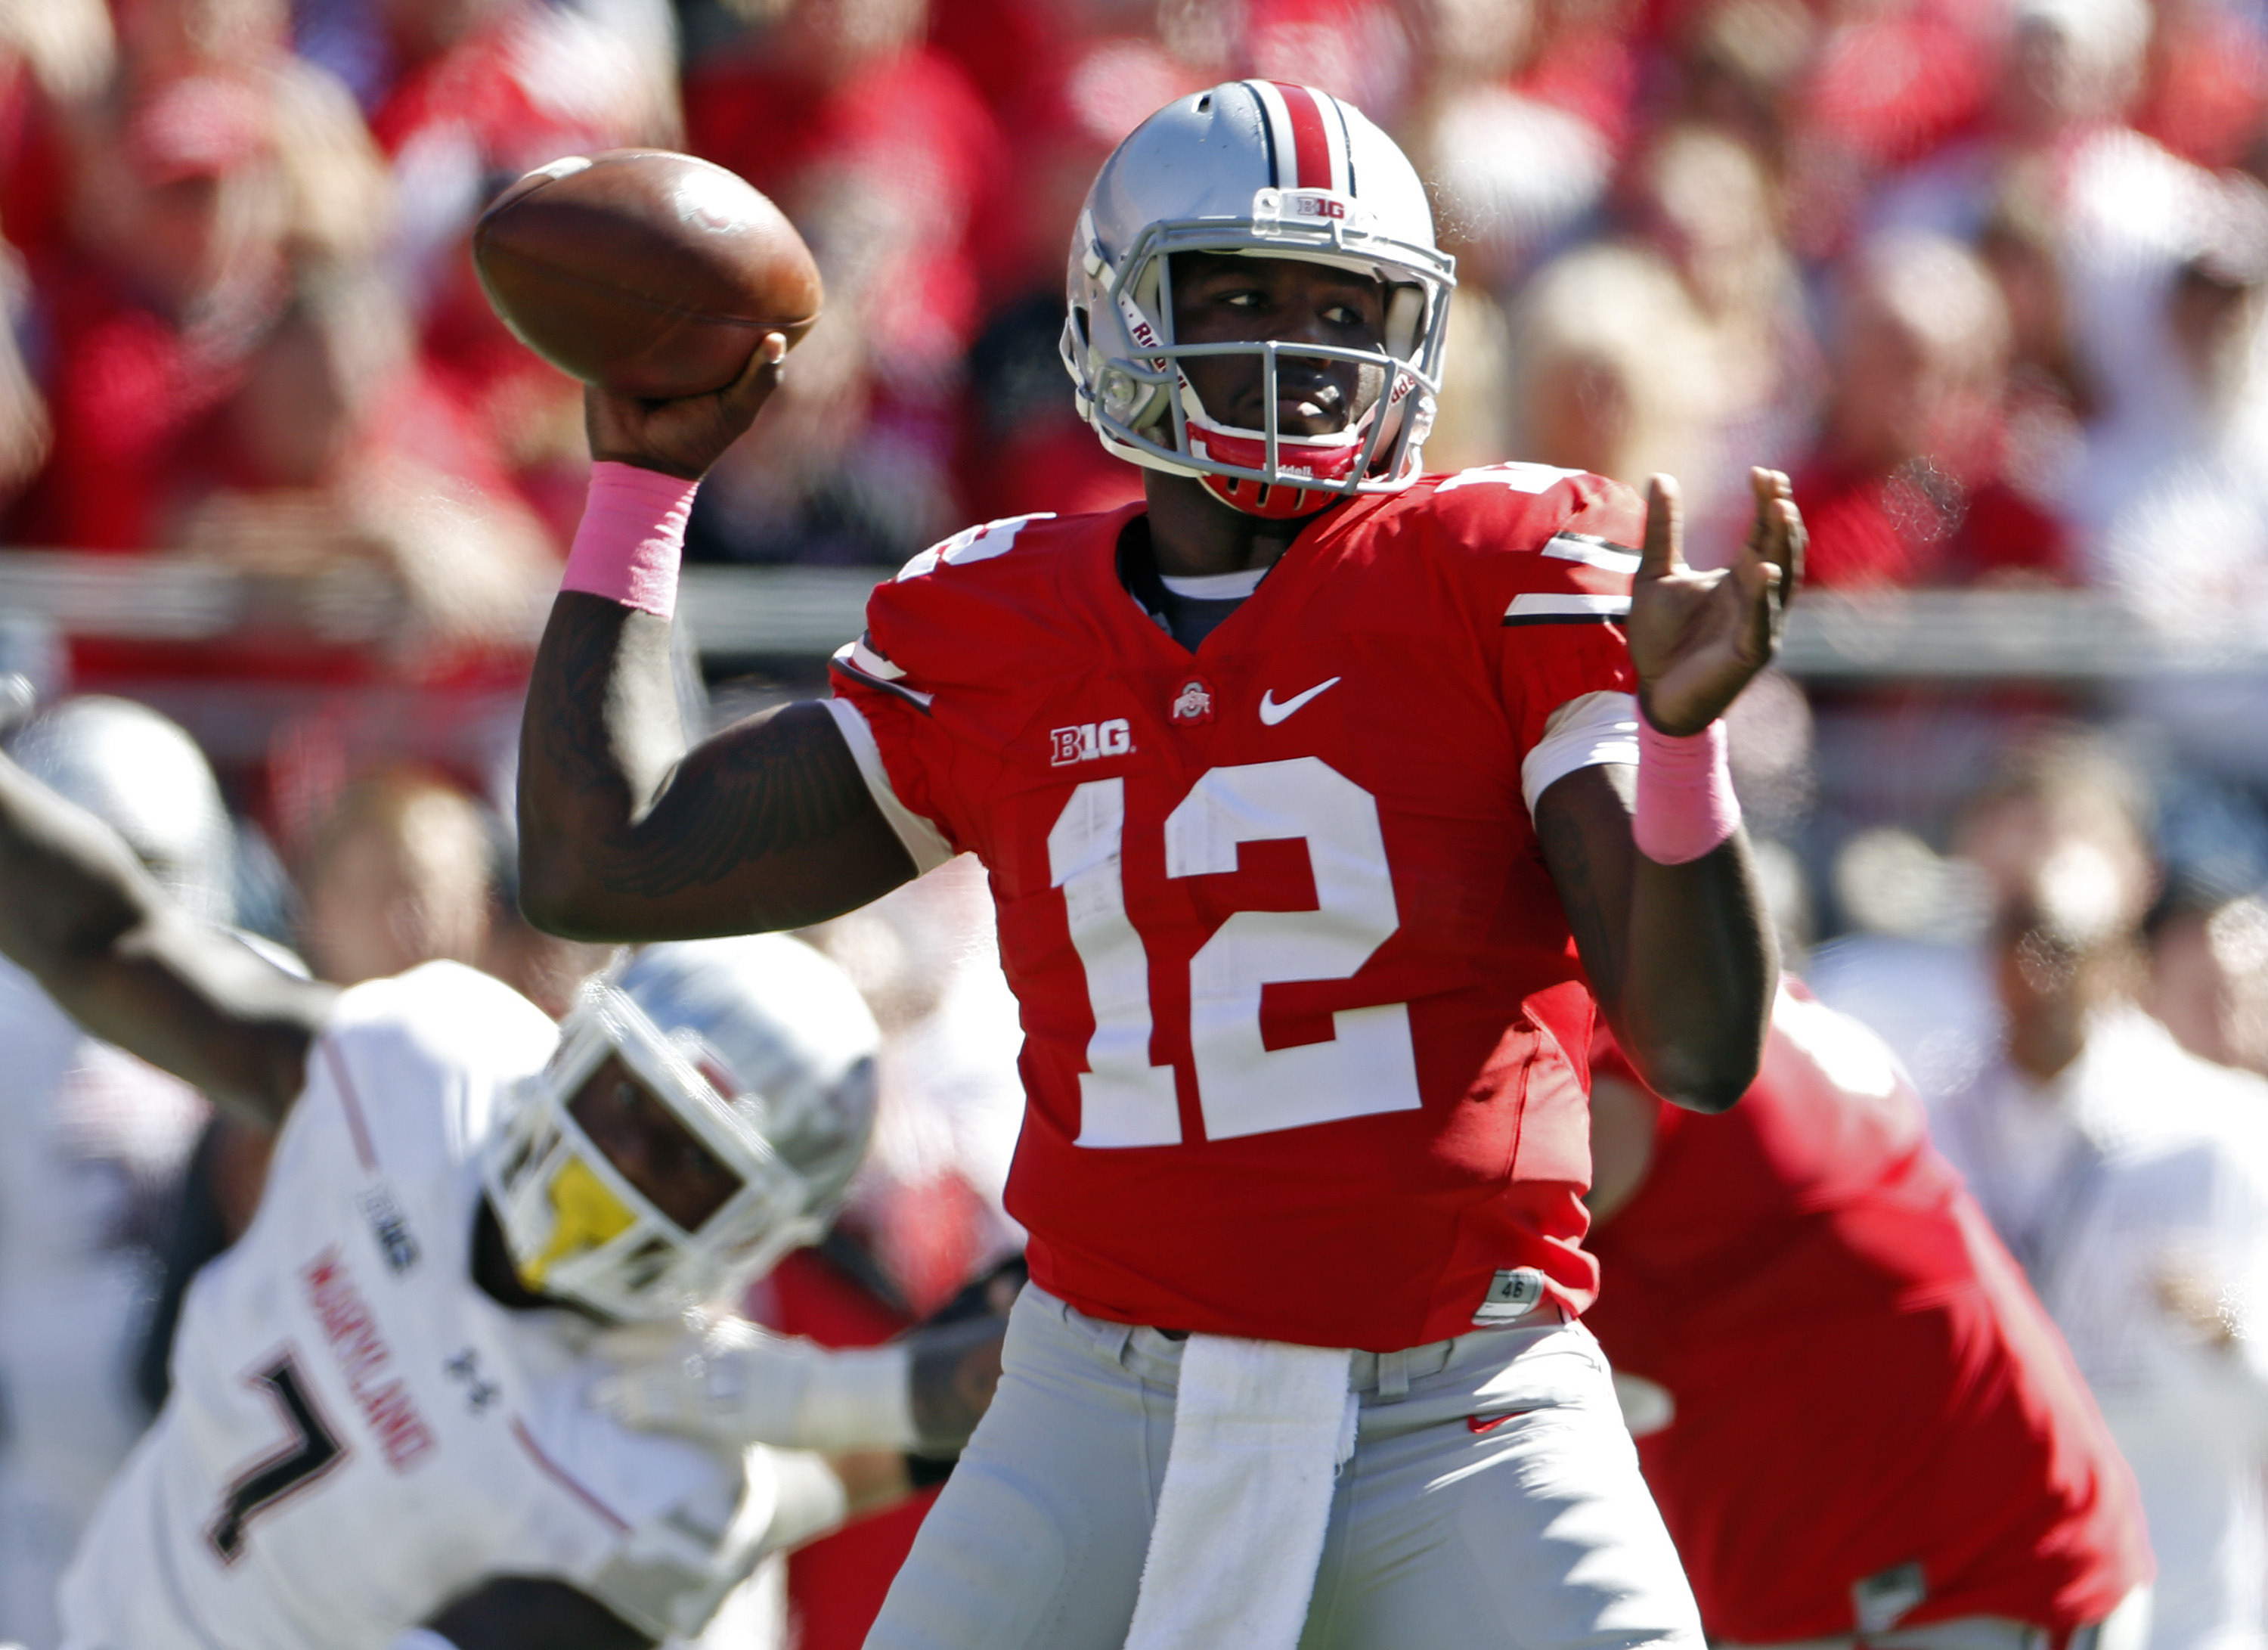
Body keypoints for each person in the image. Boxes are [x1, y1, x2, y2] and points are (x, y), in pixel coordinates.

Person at [516, 81, 1802, 1648]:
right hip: (1100, 1392)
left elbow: (1701, 1048)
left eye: (1345, 304)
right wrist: (643, 490)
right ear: (1116, 311)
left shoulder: (1498, 570)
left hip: (1460, 1396)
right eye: (1242, 292)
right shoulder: (999, 621)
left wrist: (1679, 745)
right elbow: (610, 859)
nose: (1301, 347)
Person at [0, 745, 1003, 1650]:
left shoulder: (653, 1473)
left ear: (760, 1230)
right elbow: (114, 946)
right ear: (579, 1042)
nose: (622, 1160)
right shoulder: (427, 1065)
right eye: (630, 1097)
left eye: (689, 1158)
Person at [1584, 981, 2153, 1648]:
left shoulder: (1627, 1033)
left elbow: (1515, 1208)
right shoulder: (1707, 986)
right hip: (1882, 1562)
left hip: (1960, 1578)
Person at [1926, 736, 2268, 1650]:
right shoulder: (1927, 1125)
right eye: (2013, 934)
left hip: (2181, 1610)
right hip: (1989, 1598)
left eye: (2064, 945)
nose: (2038, 973)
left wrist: (2225, 1325)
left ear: (2122, 946)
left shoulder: (2225, 1128)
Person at [0, 698, 230, 1650]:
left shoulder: (262, 1013)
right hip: (26, 1504)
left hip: (214, 1504)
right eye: (90, 857)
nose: (116, 898)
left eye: (151, 863)